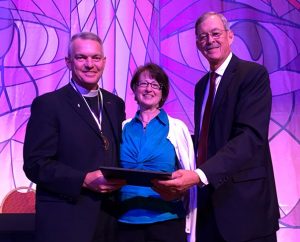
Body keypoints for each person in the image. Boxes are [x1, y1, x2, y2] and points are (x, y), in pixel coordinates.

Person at [153, 12, 280, 242]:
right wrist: (161, 149)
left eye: (215, 33)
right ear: (197, 44)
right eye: (203, 36)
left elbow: (250, 138)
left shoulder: (252, 75)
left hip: (246, 210)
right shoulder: (202, 86)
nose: (210, 40)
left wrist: (199, 175)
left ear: (230, 36)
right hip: (208, 206)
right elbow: (207, 139)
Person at [23, 32, 126, 242]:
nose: (90, 64)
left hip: (109, 218)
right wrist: (83, 180)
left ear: (104, 62)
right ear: (69, 62)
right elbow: (35, 164)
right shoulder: (49, 105)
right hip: (66, 219)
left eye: (96, 58)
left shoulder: (115, 104)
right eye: (81, 58)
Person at [117, 63, 197, 242]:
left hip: (166, 222)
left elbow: (189, 179)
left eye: (155, 85)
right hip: (124, 223)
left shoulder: (177, 128)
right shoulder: (122, 128)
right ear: (135, 90)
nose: (148, 89)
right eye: (143, 84)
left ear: (162, 93)